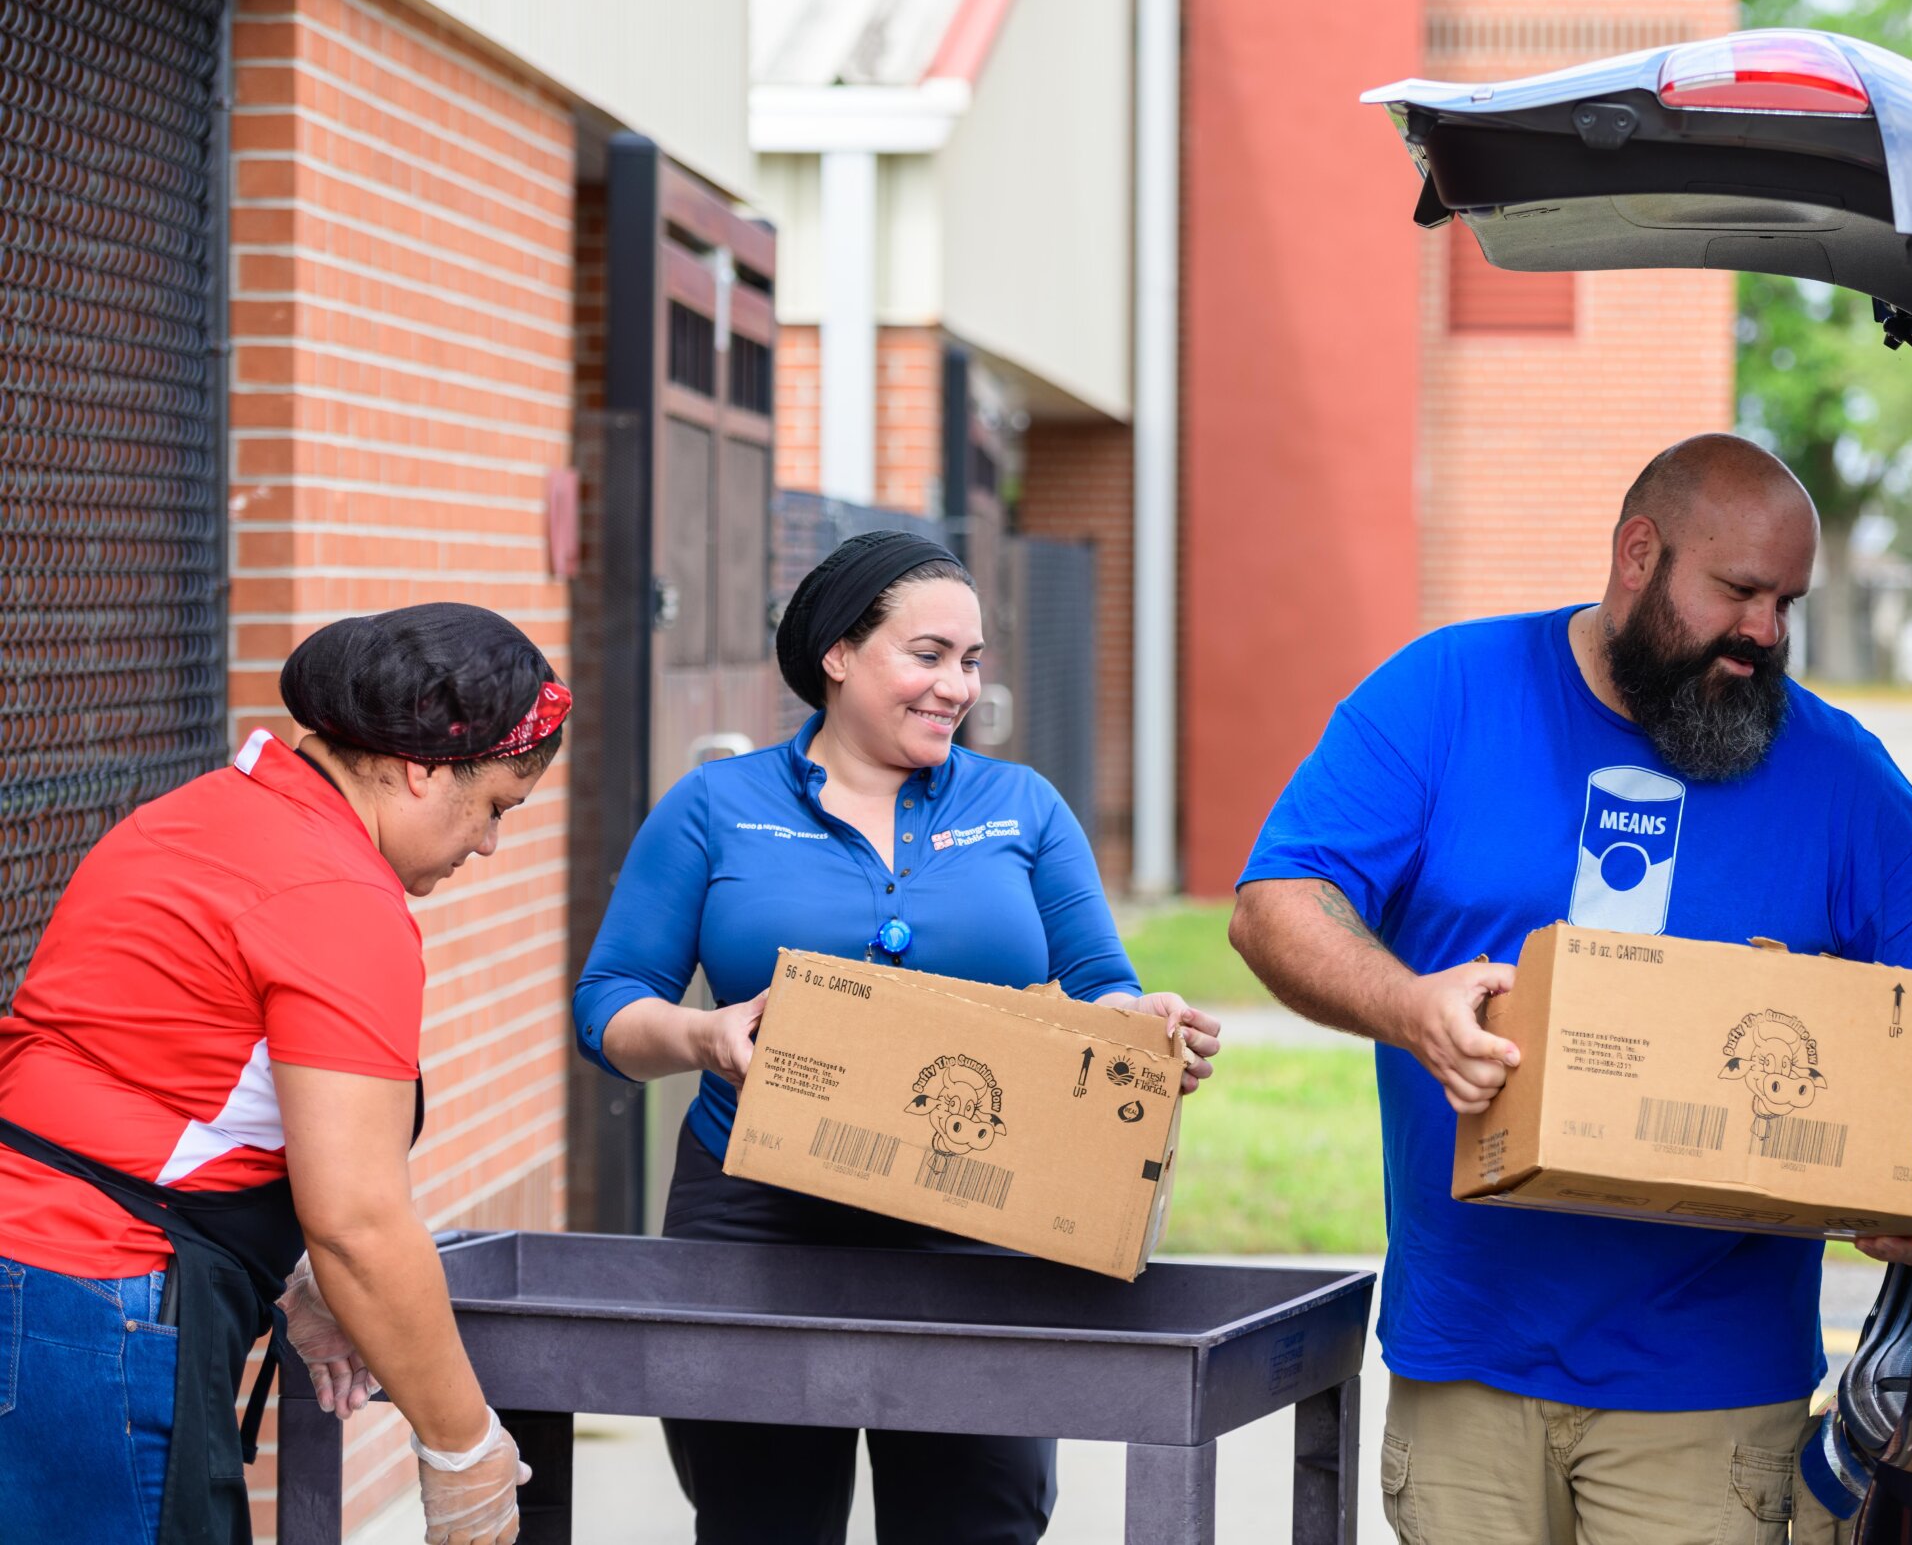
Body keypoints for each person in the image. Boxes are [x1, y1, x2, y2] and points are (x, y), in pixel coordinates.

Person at [1229, 434, 1912, 1544]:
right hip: (1469, 1358)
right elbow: (1276, 902)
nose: (1765, 633)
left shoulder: (1844, 782)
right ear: (1638, 553)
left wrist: (1900, 1185)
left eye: (1787, 602)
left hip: (1708, 1387)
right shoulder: (1444, 695)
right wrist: (1410, 1008)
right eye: (1737, 592)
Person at [574, 529, 1220, 1545]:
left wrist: (1146, 1030)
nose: (956, 686)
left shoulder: (1022, 808)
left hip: (981, 1221)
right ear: (838, 653)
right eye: (927, 655)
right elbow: (607, 1006)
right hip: (755, 1220)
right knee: (761, 1524)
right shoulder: (715, 809)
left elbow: (1102, 988)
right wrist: (702, 1035)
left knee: (979, 1523)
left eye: (969, 661)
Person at [0, 604, 573, 1545]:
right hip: (94, 1299)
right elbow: (359, 1218)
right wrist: (462, 1447)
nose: (489, 844)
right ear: (423, 767)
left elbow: (152, 1063)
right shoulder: (338, 898)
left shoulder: (208, 813)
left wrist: (290, 1269)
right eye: (498, 806)